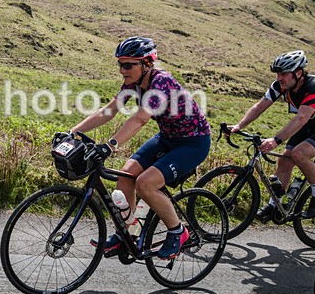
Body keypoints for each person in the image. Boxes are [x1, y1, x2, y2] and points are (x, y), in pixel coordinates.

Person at [71, 36, 211, 259]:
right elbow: (108, 111)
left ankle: (178, 231)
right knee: (126, 175)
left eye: (128, 65)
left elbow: (140, 119)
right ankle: (128, 233)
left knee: (146, 183)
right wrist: (74, 132)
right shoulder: (133, 84)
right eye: (120, 64)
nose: (122, 70)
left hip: (193, 142)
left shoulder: (161, 82)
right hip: (168, 137)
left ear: (146, 63)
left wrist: (111, 145)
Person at [228, 50, 315, 220]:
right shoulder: (280, 86)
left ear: (298, 73)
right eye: (278, 73)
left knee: (299, 154)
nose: (279, 78)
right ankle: (275, 206)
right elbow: (260, 106)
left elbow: (302, 117)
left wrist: (276, 140)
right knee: (285, 159)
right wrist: (238, 125)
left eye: (284, 74)